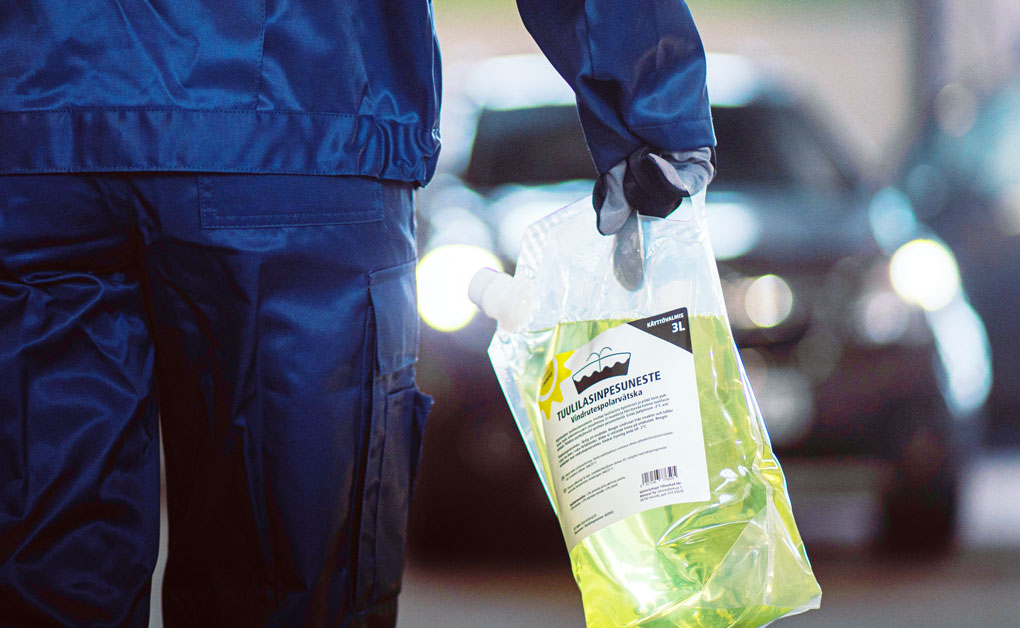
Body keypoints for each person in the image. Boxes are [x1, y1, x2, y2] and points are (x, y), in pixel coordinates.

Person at [0, 1, 715, 627]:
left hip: (33, 123)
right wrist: (651, 101)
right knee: (288, 578)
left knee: (38, 571)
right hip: (295, 107)